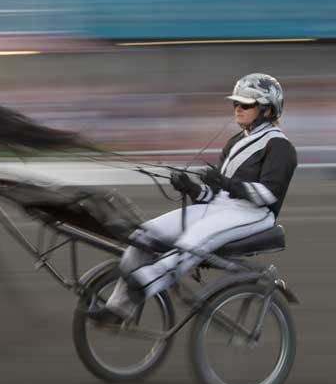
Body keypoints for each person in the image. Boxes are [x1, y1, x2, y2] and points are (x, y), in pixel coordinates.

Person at [88, 73, 297, 326]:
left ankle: (143, 282)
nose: (237, 109)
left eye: (245, 104)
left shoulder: (280, 146)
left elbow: (268, 195)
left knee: (194, 240)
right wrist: (192, 189)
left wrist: (227, 183)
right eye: (235, 104)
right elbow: (216, 196)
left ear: (266, 109)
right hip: (221, 208)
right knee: (143, 234)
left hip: (254, 215)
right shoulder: (235, 142)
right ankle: (118, 308)